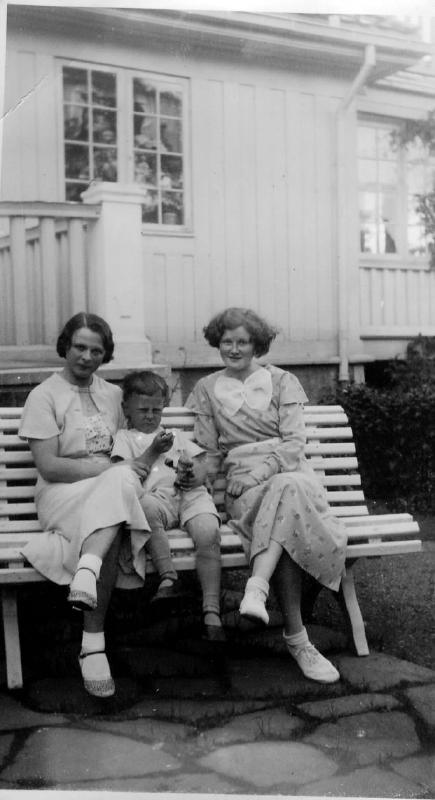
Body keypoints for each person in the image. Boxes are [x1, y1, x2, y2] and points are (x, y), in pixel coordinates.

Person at [186, 307, 348, 684]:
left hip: (289, 474)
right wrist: (195, 478)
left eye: (243, 342)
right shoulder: (206, 388)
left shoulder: (283, 381)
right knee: (283, 518)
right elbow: (208, 454)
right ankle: (296, 639)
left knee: (286, 488)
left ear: (257, 344)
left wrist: (261, 472)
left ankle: (257, 588)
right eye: (227, 341)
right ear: (217, 343)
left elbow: (294, 443)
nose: (234, 349)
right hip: (243, 489)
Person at [18, 312, 170, 699]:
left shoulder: (113, 395)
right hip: (62, 493)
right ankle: (93, 643)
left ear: (106, 354)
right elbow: (49, 466)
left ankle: (88, 582)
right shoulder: (44, 396)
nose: (87, 357)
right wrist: (105, 470)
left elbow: (135, 443)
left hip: (113, 491)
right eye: (80, 347)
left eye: (96, 351)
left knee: (117, 492)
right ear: (65, 347)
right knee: (117, 489)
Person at [111, 370, 224, 640]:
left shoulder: (174, 435)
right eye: (143, 410)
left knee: (208, 531)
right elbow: (125, 474)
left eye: (156, 410)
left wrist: (193, 472)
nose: (150, 416)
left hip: (190, 496)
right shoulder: (124, 438)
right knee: (144, 507)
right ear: (126, 409)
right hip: (156, 500)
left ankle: (211, 609)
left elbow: (201, 463)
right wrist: (154, 450)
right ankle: (168, 578)